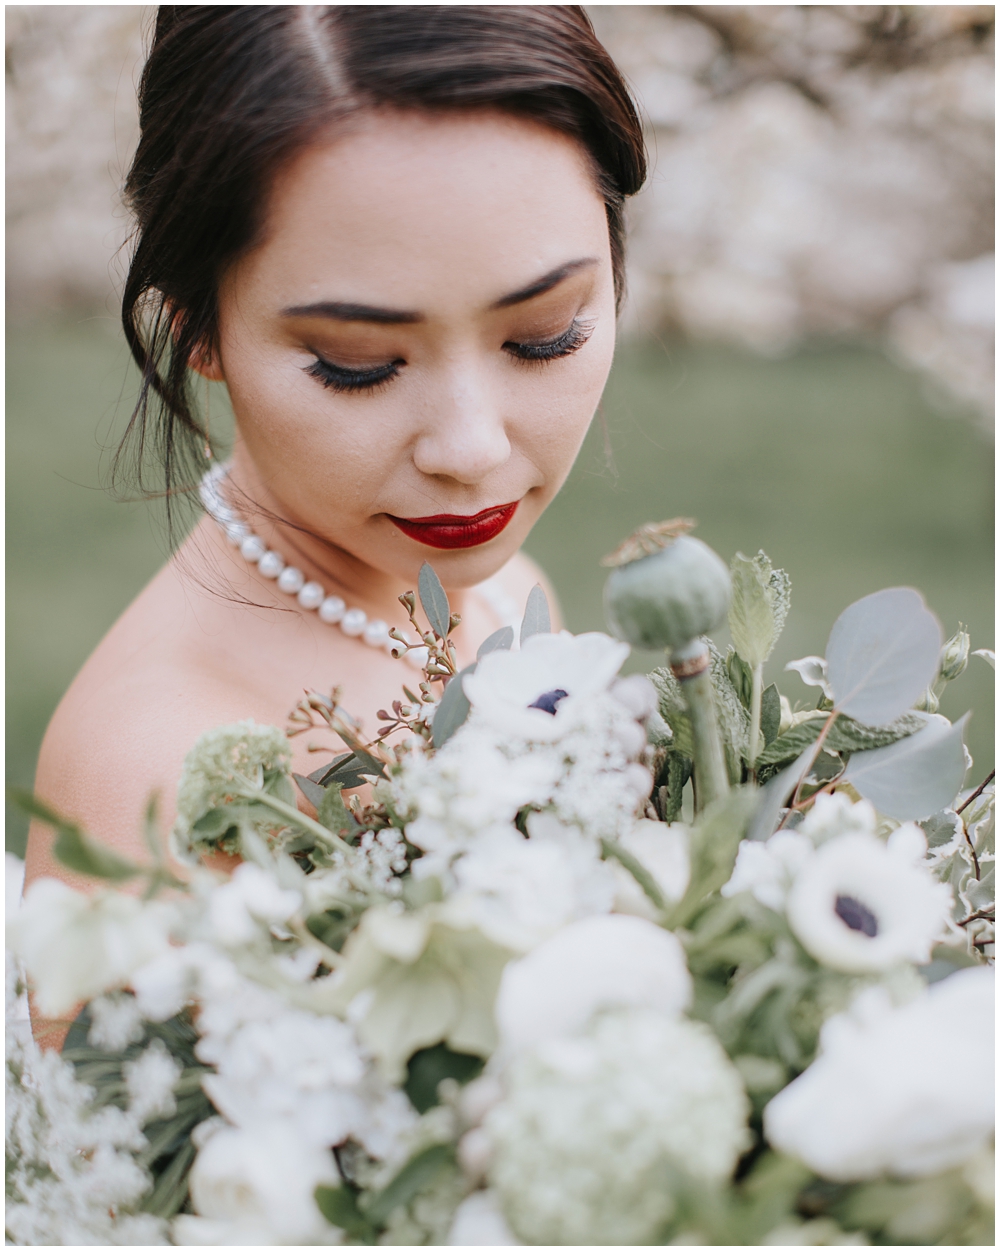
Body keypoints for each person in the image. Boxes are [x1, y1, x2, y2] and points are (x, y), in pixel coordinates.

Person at [24, 5, 646, 1053]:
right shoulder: (163, 778)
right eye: (359, 362)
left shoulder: (507, 593)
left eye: (544, 335)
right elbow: (126, 1188)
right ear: (199, 333)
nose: (470, 447)